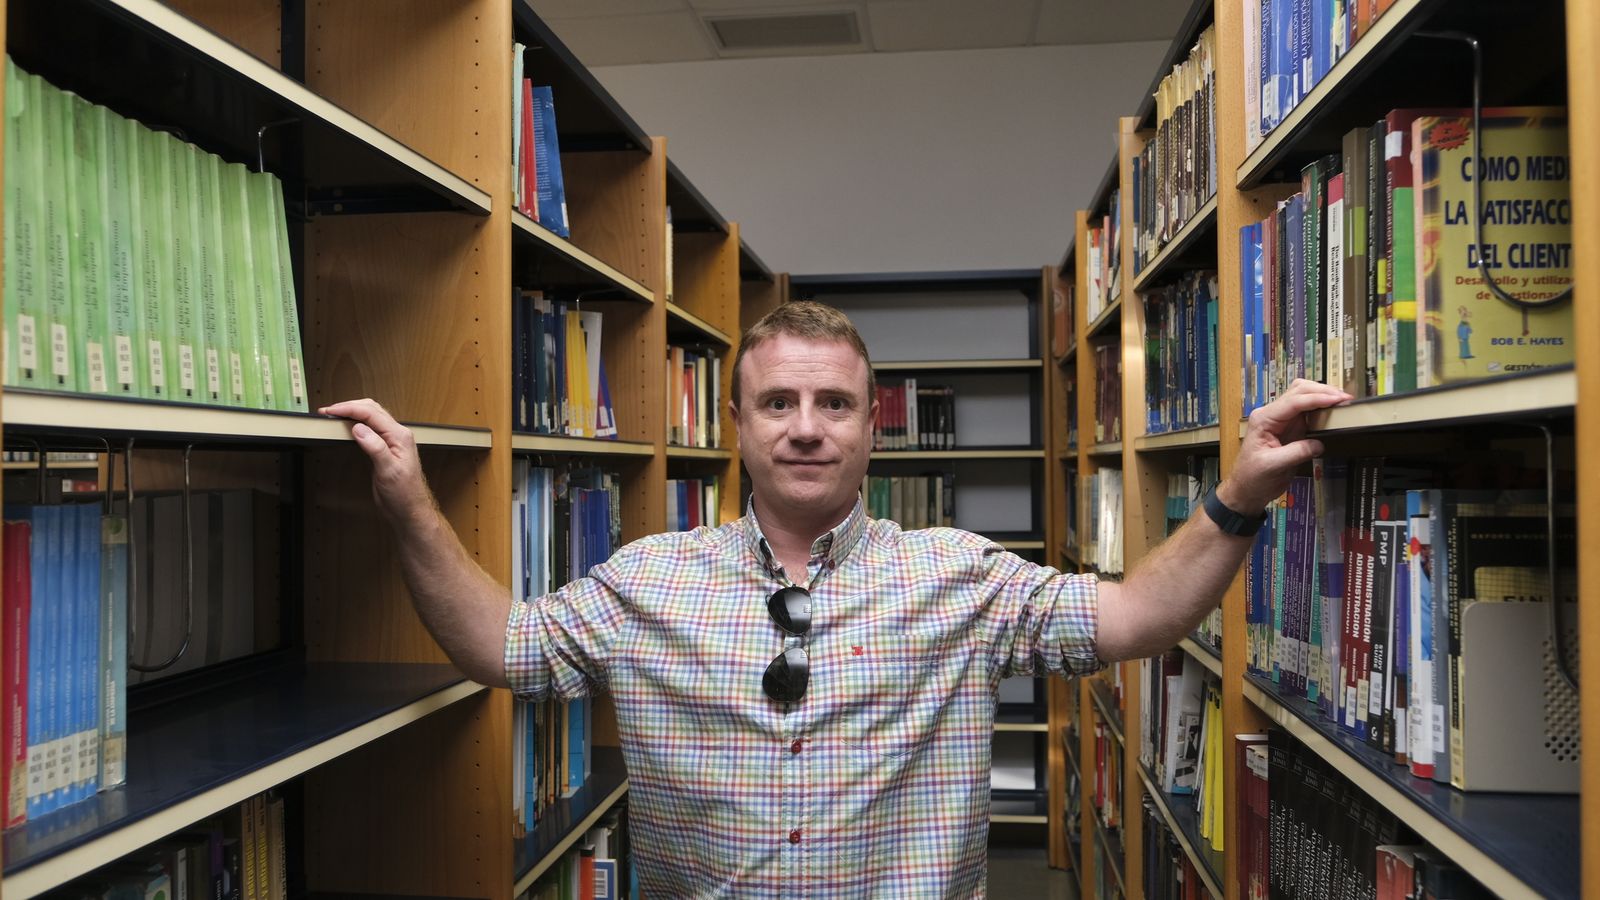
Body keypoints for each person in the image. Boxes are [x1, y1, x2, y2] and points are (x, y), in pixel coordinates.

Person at [321, 301, 1350, 897]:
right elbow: (503, 647)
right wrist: (410, 504)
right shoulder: (647, 578)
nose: (805, 427)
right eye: (777, 402)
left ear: (871, 428)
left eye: (833, 405)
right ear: (737, 425)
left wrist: (1236, 496)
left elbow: (1136, 616)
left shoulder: (958, 574)